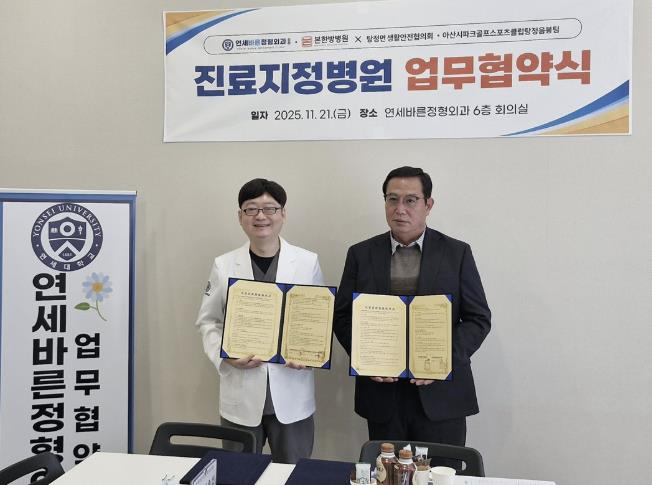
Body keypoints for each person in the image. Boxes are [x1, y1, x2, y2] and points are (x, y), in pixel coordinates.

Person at [333, 166, 491, 446]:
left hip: (441, 395)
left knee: (441, 468)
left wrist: (442, 361)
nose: (400, 209)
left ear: (428, 205)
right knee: (387, 469)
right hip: (383, 393)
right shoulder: (360, 253)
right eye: (392, 199)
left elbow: (478, 319)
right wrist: (366, 359)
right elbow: (343, 316)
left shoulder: (457, 253)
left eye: (410, 200)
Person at [195, 178, 324, 463]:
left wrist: (310, 354)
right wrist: (226, 357)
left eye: (270, 208)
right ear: (240, 216)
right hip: (240, 394)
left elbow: (318, 320)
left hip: (292, 394)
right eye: (251, 209)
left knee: (293, 475)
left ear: (283, 214)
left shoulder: (307, 262)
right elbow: (208, 322)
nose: (261, 216)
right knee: (238, 474)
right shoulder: (223, 265)